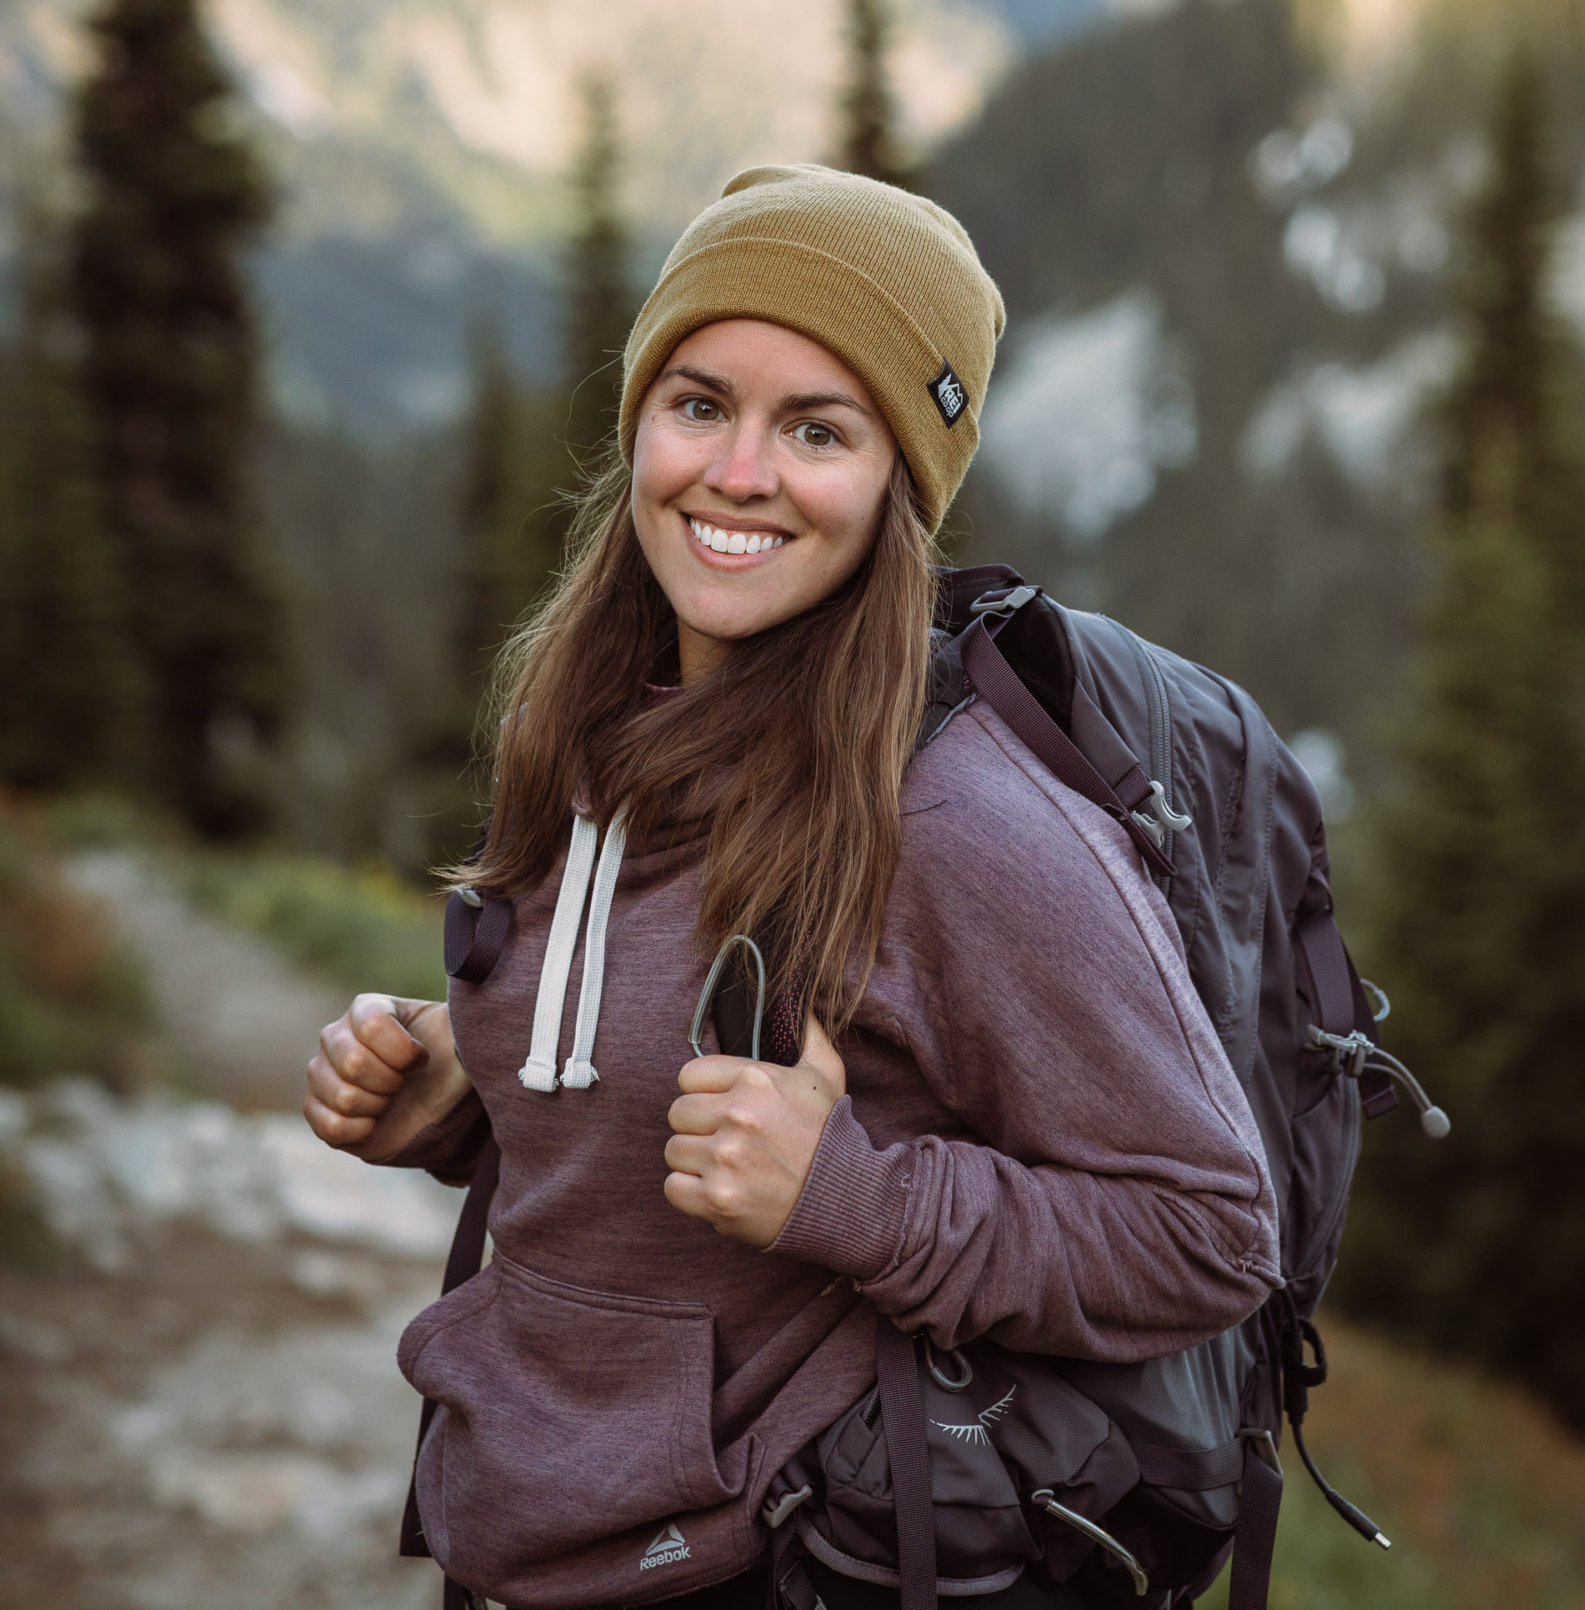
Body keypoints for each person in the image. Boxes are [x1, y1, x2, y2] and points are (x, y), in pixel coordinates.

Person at [304, 164, 1280, 1610]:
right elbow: (659, 1113)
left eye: (816, 430)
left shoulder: (960, 823)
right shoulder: (596, 727)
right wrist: (469, 1107)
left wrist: (862, 1205)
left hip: (775, 1559)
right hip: (513, 1536)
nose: (737, 473)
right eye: (700, 402)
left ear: (899, 482)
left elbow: (1210, 1232)